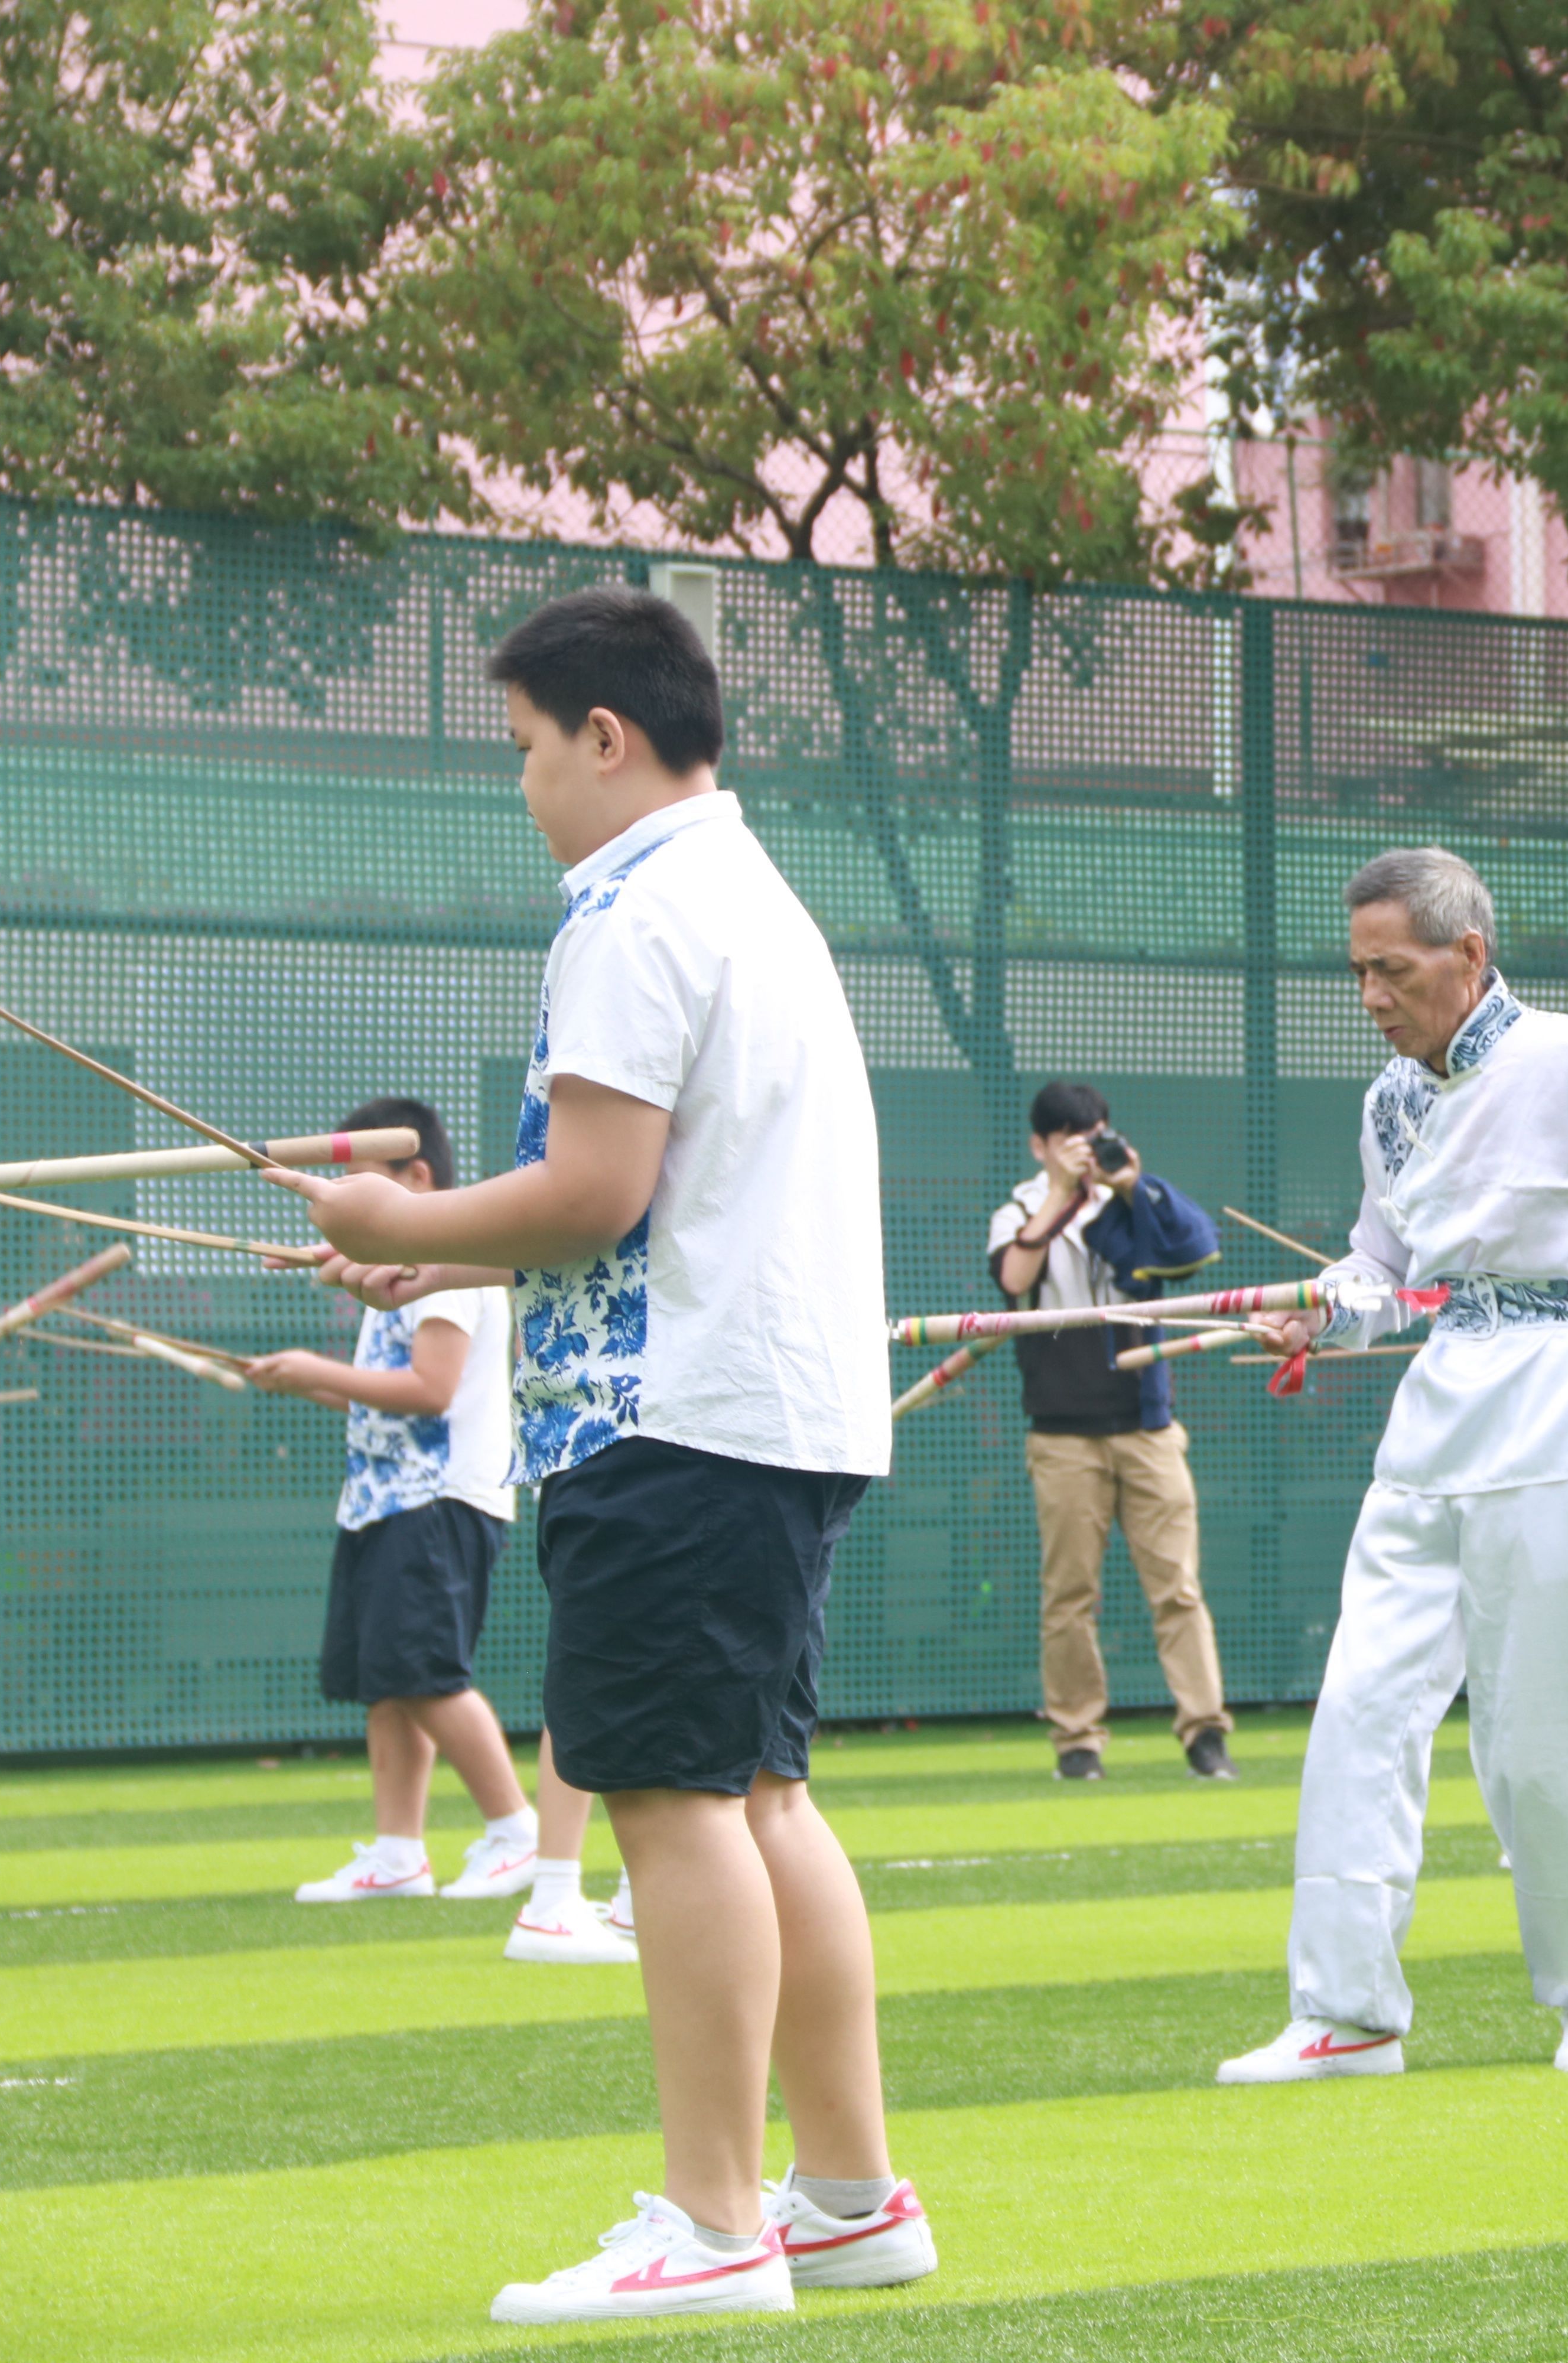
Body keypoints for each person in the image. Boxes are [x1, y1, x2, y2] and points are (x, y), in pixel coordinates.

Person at [273, 585, 931, 2318]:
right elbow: (639, 1202)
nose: (523, 785)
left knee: (669, 1799)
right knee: (762, 1795)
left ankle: (719, 2229)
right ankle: (849, 2196)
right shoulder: (750, 893)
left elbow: (598, 1191)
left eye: (523, 750)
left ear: (605, 737)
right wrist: (439, 1249)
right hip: (765, 1407)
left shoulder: (633, 908)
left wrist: (398, 1204)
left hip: (677, 1418)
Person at [1219, 848, 1568, 2082]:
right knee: (1360, 1708)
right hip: (1438, 1418)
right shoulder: (1389, 1100)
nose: (1370, 996)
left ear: (1468, 954)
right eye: (1356, 972)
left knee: (1539, 1733)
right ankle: (1347, 2010)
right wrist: (1321, 1313)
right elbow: (1387, 1271)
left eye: (1389, 969)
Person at [246, 1103, 549, 1915]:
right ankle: (397, 1852)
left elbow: (430, 1391)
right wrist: (307, 1379)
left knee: (428, 1675)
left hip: (440, 1498)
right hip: (386, 1499)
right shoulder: (405, 1271)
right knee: (390, 1681)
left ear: (418, 1181)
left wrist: (316, 1368)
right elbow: (384, 1406)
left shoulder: (447, 1265)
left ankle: (516, 1830)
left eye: (363, 1190)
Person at [983, 1080, 1235, 1783]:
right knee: (1069, 1594)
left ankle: (1205, 1733)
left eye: (1094, 1133)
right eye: (1068, 1138)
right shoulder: (1020, 1208)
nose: (1084, 1148)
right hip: (1062, 1432)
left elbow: (1193, 1250)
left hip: (1148, 1424)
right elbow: (1014, 1278)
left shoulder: (1133, 1199)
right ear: (1039, 1144)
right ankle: (1078, 1741)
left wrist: (1129, 1183)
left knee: (1178, 1587)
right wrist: (1062, 1195)